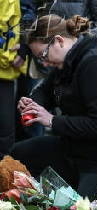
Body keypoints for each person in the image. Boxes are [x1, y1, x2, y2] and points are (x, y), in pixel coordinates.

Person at [11, 14, 97, 201]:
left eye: (43, 55)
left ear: (59, 41)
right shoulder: (66, 63)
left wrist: (52, 120)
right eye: (39, 59)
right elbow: (45, 91)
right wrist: (32, 103)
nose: (44, 63)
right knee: (17, 155)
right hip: (74, 148)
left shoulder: (94, 64)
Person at [0, 0, 28, 159]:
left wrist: (25, 46)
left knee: (5, 131)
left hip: (7, 69)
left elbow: (33, 12)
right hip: (7, 63)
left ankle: (5, 175)